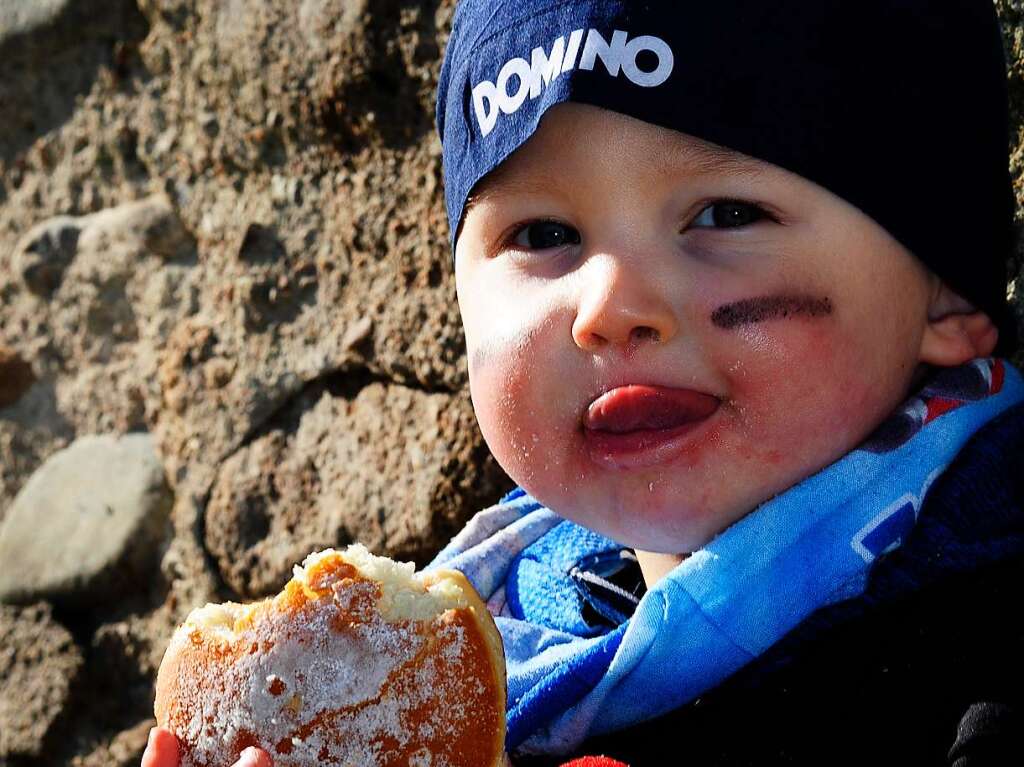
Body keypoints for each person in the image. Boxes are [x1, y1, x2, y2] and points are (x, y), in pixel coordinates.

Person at [142, 1, 1024, 764]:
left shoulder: (986, 654)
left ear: (943, 290)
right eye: (541, 233)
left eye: (725, 214)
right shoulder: (463, 676)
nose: (607, 306)